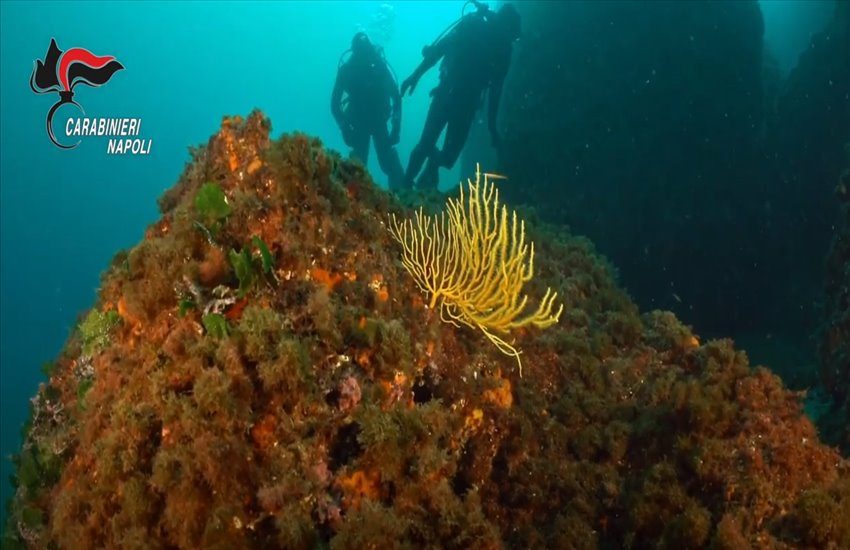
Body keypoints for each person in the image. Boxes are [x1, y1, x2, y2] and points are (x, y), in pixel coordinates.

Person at [400, 2, 521, 189]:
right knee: (427, 144)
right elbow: (440, 50)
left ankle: (430, 165)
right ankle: (405, 184)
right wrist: (414, 76)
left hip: (460, 100)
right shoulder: (476, 27)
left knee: (447, 156)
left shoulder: (500, 47)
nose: (511, 39)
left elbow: (496, 89)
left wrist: (492, 127)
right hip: (451, 95)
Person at [331, 32, 404, 190]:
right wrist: (345, 128)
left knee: (386, 163)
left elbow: (396, 96)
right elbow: (334, 105)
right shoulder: (348, 70)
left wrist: (396, 127)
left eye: (366, 53)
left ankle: (400, 191)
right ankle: (353, 199)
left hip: (376, 121)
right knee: (358, 166)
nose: (364, 59)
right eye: (360, 54)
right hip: (360, 123)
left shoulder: (378, 67)